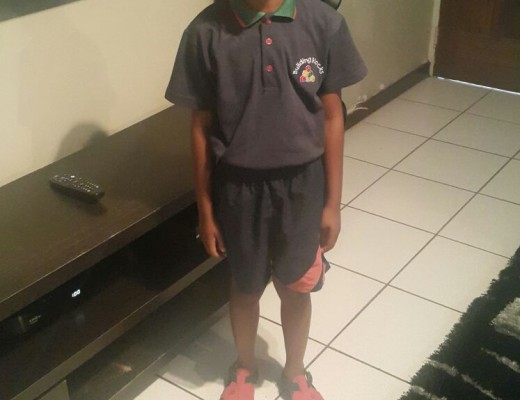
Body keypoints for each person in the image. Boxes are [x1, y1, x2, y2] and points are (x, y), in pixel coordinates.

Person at [165, 0, 366, 398]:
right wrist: (205, 209)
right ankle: (245, 366)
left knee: (297, 286)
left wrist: (333, 204)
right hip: (238, 189)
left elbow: (332, 117)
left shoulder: (324, 24)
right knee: (245, 286)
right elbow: (200, 126)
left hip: (303, 187)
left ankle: (295, 372)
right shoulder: (204, 33)